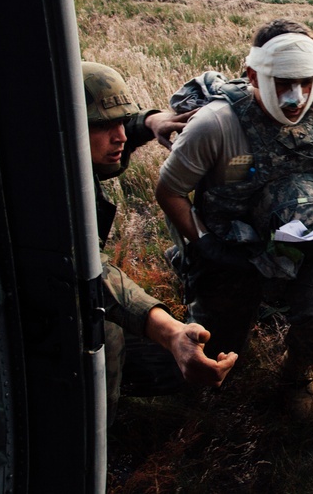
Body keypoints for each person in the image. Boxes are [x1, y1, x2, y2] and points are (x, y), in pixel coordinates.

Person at [154, 19, 313, 418]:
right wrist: (204, 245)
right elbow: (169, 192)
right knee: (216, 347)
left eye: (306, 81)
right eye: (283, 82)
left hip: (310, 227)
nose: (295, 98)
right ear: (253, 74)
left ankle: (297, 376)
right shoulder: (216, 124)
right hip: (232, 240)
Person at [82, 61, 237, 426]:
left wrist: (151, 121)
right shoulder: (44, 190)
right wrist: (170, 333)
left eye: (122, 122)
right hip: (48, 317)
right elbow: (91, 274)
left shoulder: (70, 154)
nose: (120, 137)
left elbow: (120, 128)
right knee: (106, 338)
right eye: (103, 126)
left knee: (173, 371)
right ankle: (95, 435)